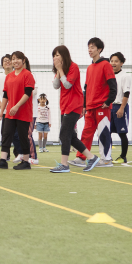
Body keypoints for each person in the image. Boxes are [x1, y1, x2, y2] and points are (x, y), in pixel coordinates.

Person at [68, 38, 116, 168]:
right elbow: (86, 88)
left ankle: (106, 159)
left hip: (102, 106)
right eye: (89, 47)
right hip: (90, 107)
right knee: (86, 133)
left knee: (104, 133)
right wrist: (84, 105)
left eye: (93, 47)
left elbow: (113, 85)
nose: (90, 50)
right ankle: (81, 158)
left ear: (99, 49)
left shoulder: (106, 65)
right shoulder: (89, 68)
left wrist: (108, 101)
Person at [51, 45, 99, 173]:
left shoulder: (73, 67)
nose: (55, 57)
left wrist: (60, 70)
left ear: (64, 55)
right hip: (64, 106)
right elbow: (56, 86)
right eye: (54, 55)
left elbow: (67, 85)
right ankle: (91, 157)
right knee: (71, 136)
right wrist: (58, 71)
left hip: (74, 105)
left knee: (64, 134)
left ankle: (64, 164)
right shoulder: (60, 69)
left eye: (57, 55)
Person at [0, 51, 34, 170]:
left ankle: (26, 161)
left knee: (22, 136)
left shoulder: (27, 74)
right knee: (6, 134)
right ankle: (3, 160)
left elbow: (28, 93)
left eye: (18, 59)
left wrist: (16, 106)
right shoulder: (9, 76)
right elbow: (5, 95)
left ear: (23, 60)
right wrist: (1, 111)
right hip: (10, 112)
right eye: (13, 59)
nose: (15, 61)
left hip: (23, 111)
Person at [109, 52, 131, 164]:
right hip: (109, 107)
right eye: (111, 61)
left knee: (122, 133)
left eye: (116, 61)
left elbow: (126, 93)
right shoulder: (108, 75)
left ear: (121, 63)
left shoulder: (125, 75)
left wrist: (122, 108)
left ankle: (123, 156)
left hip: (119, 106)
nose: (113, 63)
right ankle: (107, 156)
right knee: (106, 132)